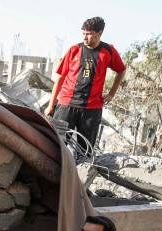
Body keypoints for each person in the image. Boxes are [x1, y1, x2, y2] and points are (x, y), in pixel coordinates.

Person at [46, 17, 126, 156]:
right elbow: (59, 77)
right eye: (83, 33)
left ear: (99, 33)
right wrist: (51, 105)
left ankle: (78, 176)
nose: (85, 37)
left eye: (89, 34)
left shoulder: (108, 51)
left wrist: (112, 93)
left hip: (91, 109)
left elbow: (121, 70)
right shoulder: (74, 50)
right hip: (66, 105)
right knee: (55, 147)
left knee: (85, 153)